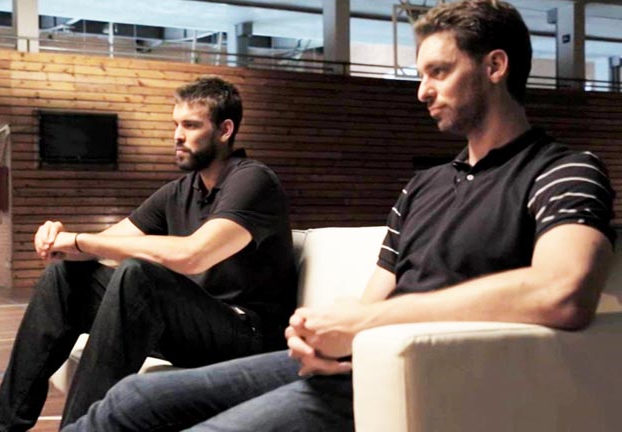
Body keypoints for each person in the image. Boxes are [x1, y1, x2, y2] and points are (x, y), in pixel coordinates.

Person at [61, 1, 617, 431]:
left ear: (495, 66)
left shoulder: (565, 169)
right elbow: (377, 297)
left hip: (429, 370)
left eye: (439, 72)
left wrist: (368, 325)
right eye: (421, 75)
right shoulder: (423, 186)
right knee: (132, 397)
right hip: (362, 359)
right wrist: (329, 332)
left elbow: (563, 290)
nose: (422, 92)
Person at [0, 76, 298, 432]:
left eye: (191, 125)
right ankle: (2, 427)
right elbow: (106, 244)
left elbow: (194, 255)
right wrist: (59, 242)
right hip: (190, 327)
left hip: (246, 334)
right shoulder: (180, 191)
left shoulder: (253, 180)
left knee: (139, 275)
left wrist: (81, 241)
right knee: (63, 277)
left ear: (225, 130)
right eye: (175, 125)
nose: (177, 135)